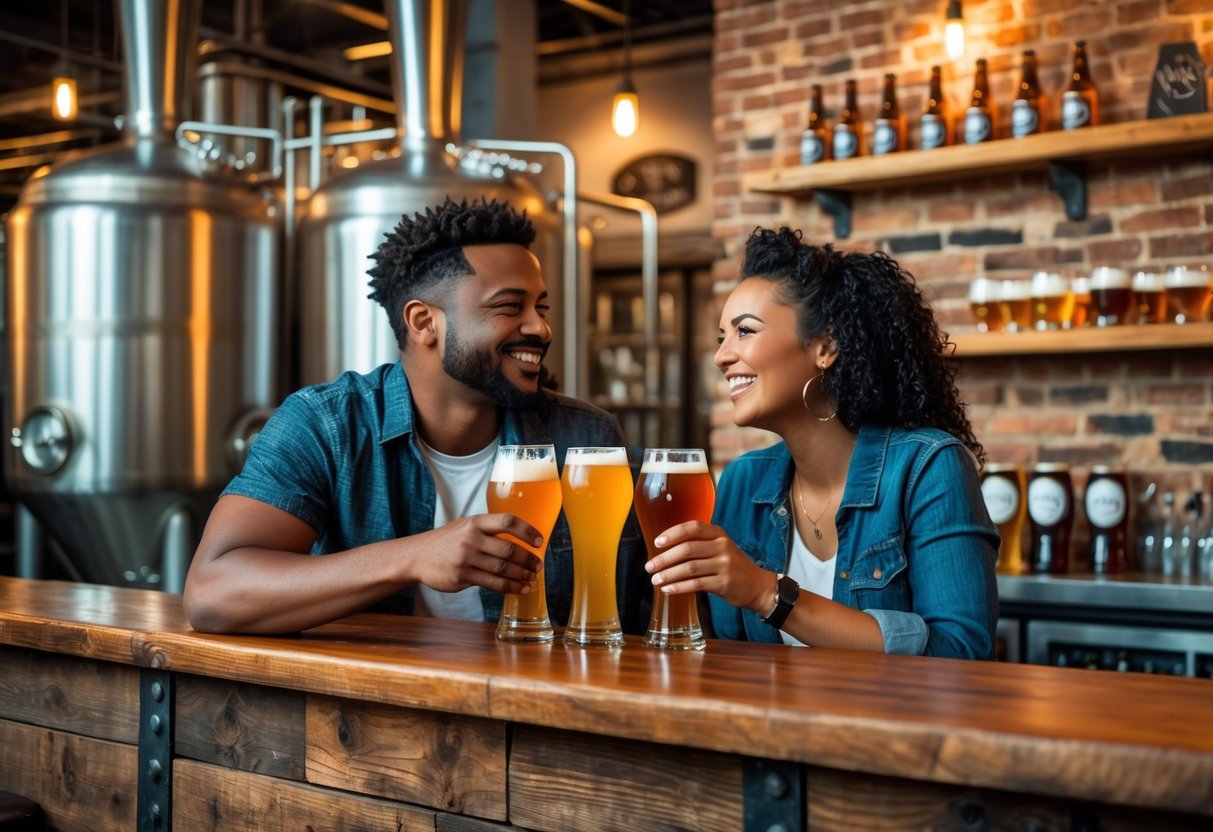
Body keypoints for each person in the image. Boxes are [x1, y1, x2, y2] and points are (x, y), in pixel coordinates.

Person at [184, 198, 648, 635]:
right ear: (423, 322)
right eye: (510, 306)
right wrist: (413, 557)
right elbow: (213, 593)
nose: (540, 328)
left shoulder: (586, 437)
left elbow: (631, 621)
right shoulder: (328, 425)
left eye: (540, 307)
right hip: (370, 712)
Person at [644, 227, 998, 658]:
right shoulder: (741, 483)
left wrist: (766, 594)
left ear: (826, 346)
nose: (721, 356)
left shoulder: (927, 468)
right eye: (722, 338)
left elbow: (962, 653)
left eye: (745, 332)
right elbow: (727, 661)